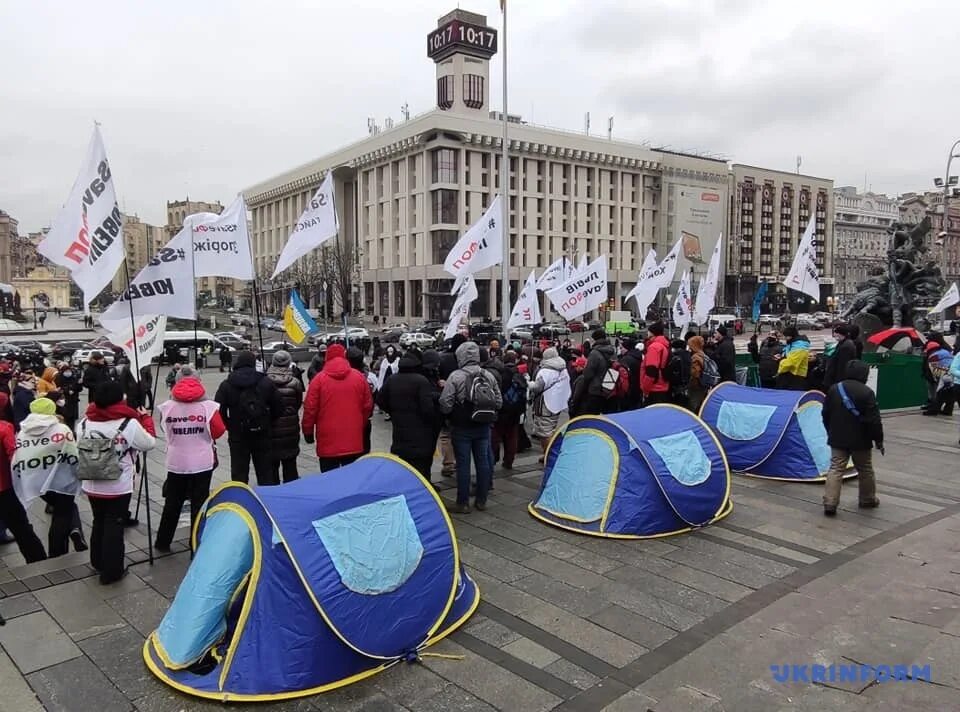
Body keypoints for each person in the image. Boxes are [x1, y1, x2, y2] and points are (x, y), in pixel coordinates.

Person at [77, 380, 156, 583]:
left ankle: (98, 561)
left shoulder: (85, 422)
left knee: (98, 521)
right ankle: (112, 571)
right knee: (114, 523)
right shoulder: (128, 423)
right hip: (117, 484)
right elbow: (148, 443)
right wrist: (146, 420)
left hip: (92, 482)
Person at [155, 366, 226, 552]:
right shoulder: (209, 407)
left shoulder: (166, 408)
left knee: (172, 501)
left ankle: (163, 541)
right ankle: (196, 541)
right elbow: (218, 430)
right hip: (202, 461)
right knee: (200, 502)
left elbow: (165, 430)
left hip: (176, 461)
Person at [13, 397, 86, 557]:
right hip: (63, 480)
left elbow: (20, 456)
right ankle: (58, 551)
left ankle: (70, 535)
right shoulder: (61, 429)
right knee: (62, 513)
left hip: (39, 482)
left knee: (61, 511)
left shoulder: (23, 432)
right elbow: (72, 454)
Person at [439, 341, 502, 513]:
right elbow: (498, 402)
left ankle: (463, 502)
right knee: (482, 462)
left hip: (461, 427)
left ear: (460, 357)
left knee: (463, 464)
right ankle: (481, 500)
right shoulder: (488, 375)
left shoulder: (455, 376)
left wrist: (450, 414)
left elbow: (445, 403)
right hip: (483, 426)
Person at [821, 360, 883, 516]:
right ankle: (867, 499)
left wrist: (830, 431)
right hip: (860, 439)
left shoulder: (834, 389)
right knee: (865, 469)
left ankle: (830, 503)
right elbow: (874, 420)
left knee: (836, 468)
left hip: (838, 437)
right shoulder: (866, 392)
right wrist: (878, 440)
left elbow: (825, 414)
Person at [301, 343, 374, 472]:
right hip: (353, 439)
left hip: (327, 441)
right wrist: (359, 425)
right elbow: (367, 406)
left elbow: (309, 409)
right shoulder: (359, 378)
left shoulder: (318, 380)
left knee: (329, 481)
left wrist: (308, 432)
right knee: (351, 478)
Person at [214, 350, 283, 486]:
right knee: (265, 472)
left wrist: (230, 426)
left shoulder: (227, 384)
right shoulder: (265, 381)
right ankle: (266, 502)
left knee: (239, 474)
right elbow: (279, 407)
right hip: (262, 433)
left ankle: (241, 502)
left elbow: (218, 410)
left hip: (238, 435)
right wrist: (268, 422)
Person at [0, 392, 48, 563]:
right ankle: (38, 560)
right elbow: (14, 457)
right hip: (4, 488)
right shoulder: (4, 427)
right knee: (21, 527)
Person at [377, 348, 437, 481]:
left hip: (400, 432)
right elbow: (428, 409)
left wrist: (392, 411)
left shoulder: (392, 380)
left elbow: (380, 399)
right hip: (421, 433)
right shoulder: (421, 381)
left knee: (405, 466)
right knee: (421, 468)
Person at [265, 350, 304, 483]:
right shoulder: (295, 382)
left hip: (270, 429)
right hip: (290, 429)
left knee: (271, 467)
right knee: (290, 465)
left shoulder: (264, 382)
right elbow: (298, 403)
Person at [528, 347, 571, 463]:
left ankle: (550, 456)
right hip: (557, 404)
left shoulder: (546, 371)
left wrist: (528, 383)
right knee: (551, 429)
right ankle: (547, 453)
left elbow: (537, 387)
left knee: (544, 433)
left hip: (545, 405)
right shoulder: (563, 368)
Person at [437, 333, 467, 478]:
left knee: (446, 435)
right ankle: (461, 464)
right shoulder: (466, 361)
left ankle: (448, 464)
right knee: (461, 434)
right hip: (463, 404)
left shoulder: (443, 358)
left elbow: (437, 379)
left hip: (446, 401)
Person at [491, 352, 525, 470]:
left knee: (495, 437)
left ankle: (493, 459)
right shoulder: (520, 375)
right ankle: (509, 461)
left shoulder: (500, 374)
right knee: (512, 438)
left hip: (501, 411)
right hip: (515, 412)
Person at [569, 329, 615, 416]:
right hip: (608, 388)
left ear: (595, 339)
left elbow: (588, 374)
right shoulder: (612, 352)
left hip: (594, 390)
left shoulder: (595, 353)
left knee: (590, 415)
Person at [346, 346, 377, 454]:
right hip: (365, 419)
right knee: (365, 449)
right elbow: (374, 397)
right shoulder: (371, 377)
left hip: (350, 420)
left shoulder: (345, 378)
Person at [639, 322, 671, 406]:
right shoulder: (664, 345)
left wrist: (645, 389)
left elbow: (651, 370)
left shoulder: (654, 347)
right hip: (662, 385)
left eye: (648, 331)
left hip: (654, 388)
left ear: (652, 332)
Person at [922, 341, 955, 416]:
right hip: (954, 374)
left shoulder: (933, 356)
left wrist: (935, 380)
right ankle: (948, 411)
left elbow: (935, 370)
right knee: (950, 393)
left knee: (939, 393)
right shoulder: (946, 352)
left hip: (945, 374)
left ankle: (933, 411)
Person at [823, 324, 857, 392]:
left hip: (837, 380)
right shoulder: (844, 343)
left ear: (841, 334)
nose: (835, 335)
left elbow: (842, 366)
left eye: (836, 333)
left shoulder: (846, 346)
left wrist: (838, 383)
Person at [775, 326, 811, 390]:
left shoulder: (799, 347)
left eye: (786, 336)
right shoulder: (792, 344)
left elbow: (791, 363)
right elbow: (788, 356)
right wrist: (782, 356)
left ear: (792, 336)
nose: (785, 338)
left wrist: (780, 361)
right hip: (789, 376)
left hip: (795, 378)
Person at [54, 362, 83, 431]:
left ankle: (71, 432)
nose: (68, 373)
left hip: (73, 401)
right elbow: (58, 388)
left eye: (69, 371)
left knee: (72, 420)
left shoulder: (74, 378)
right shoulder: (59, 378)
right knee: (63, 419)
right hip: (63, 402)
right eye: (66, 371)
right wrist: (67, 390)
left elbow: (79, 388)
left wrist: (78, 385)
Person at [618, 338, 644, 411]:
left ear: (626, 348)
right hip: (638, 388)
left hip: (628, 390)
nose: (620, 350)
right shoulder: (639, 356)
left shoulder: (625, 360)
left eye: (621, 348)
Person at [687, 335, 709, 413]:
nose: (689, 348)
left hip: (696, 385)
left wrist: (690, 383)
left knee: (694, 405)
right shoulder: (703, 354)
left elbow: (695, 373)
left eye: (690, 345)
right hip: (704, 384)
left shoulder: (695, 357)